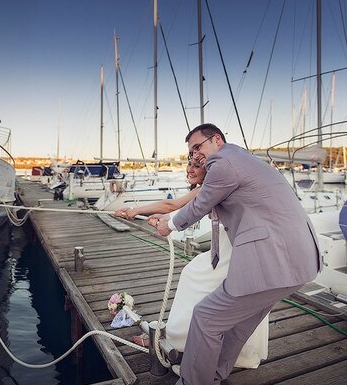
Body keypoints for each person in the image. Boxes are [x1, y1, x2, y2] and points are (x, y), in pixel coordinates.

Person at [150, 123, 320, 385]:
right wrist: (169, 215)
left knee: (206, 317)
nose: (195, 155)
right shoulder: (241, 159)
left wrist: (170, 224)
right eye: (191, 151)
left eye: (198, 147)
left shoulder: (224, 161)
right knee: (239, 326)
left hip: (273, 261)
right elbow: (202, 202)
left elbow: (202, 201)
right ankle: (214, 376)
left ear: (216, 139)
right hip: (294, 262)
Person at [115, 158, 268, 369]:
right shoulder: (212, 188)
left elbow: (173, 205)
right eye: (189, 164)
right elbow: (181, 209)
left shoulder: (214, 186)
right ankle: (200, 340)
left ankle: (178, 339)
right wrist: (156, 215)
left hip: (234, 248)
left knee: (193, 276)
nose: (190, 169)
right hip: (233, 244)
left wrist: (134, 210)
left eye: (197, 166)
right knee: (207, 283)